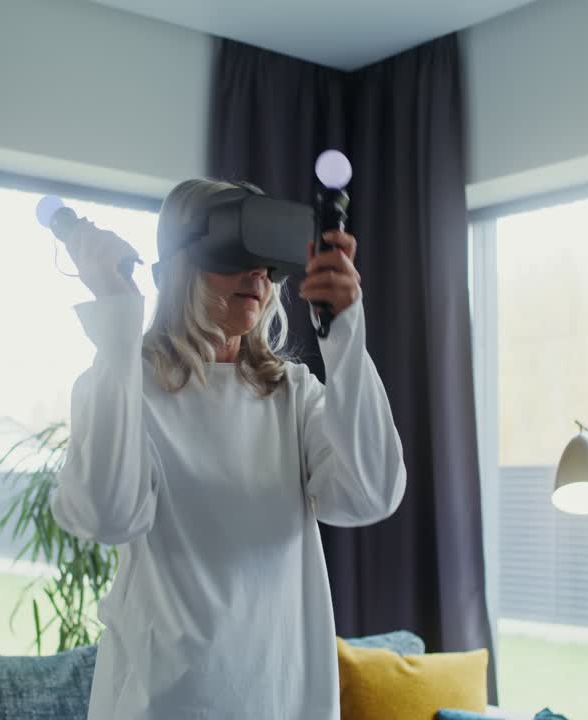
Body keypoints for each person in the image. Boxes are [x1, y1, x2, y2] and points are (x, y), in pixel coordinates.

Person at [50, 179, 406, 719]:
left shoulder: (291, 392)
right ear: (182, 263)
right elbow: (108, 515)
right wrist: (119, 326)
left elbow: (371, 494)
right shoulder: (127, 384)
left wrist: (345, 331)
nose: (258, 275)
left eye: (267, 262)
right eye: (239, 254)